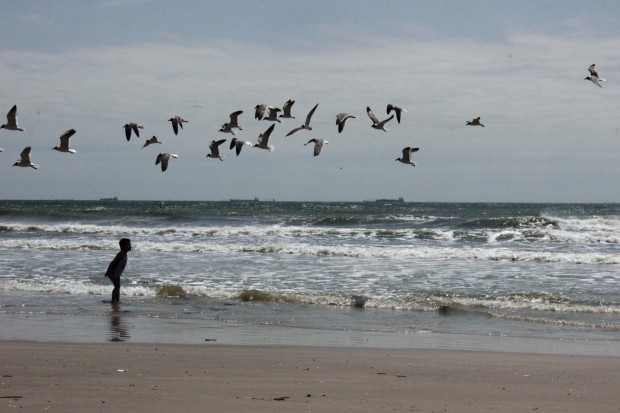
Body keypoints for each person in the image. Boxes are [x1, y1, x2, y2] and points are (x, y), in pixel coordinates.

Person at [105, 238, 132, 305]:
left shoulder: (124, 254)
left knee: (117, 287)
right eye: (128, 245)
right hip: (113, 273)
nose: (130, 246)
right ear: (122, 247)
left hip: (117, 274)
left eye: (130, 244)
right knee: (117, 287)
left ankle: (116, 300)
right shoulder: (121, 254)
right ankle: (114, 300)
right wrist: (108, 271)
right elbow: (113, 262)